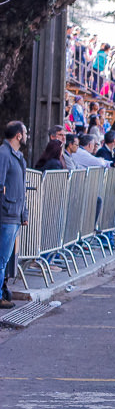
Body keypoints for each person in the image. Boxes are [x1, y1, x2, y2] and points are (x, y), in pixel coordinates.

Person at [0, 122, 28, 309]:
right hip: (6, 215)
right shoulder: (3, 154)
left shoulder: (19, 157)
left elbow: (22, 189)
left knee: (4, 260)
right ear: (18, 135)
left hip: (14, 215)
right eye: (25, 132)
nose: (27, 136)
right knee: (1, 260)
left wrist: (23, 214)